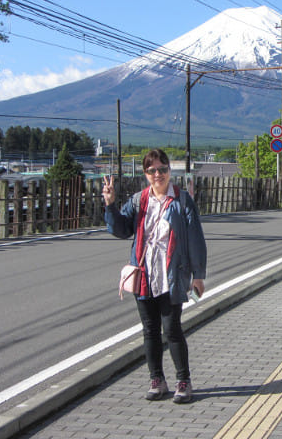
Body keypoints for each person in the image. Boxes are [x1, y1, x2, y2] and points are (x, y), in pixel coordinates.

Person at [102, 148, 206, 403]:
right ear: (145, 174)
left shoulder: (182, 201)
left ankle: (184, 381)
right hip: (144, 274)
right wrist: (110, 204)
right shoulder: (139, 201)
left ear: (170, 170)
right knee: (149, 330)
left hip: (173, 275)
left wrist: (198, 275)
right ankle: (156, 379)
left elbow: (195, 240)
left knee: (172, 330)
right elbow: (122, 230)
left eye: (162, 169)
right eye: (152, 170)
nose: (157, 174)